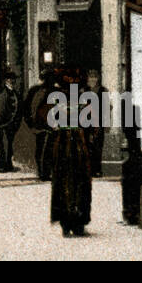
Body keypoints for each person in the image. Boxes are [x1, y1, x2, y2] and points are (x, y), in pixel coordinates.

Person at [44, 69, 94, 236]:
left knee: (67, 182)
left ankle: (69, 222)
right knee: (75, 183)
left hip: (67, 148)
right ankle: (74, 221)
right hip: (74, 148)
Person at [0, 69, 22, 173]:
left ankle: (8, 164)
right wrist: (2, 123)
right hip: (4, 124)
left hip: (11, 124)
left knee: (8, 145)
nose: (13, 81)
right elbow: (0, 109)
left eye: (13, 79)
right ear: (7, 81)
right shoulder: (3, 93)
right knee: (4, 145)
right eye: (11, 79)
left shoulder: (13, 92)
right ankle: (3, 166)